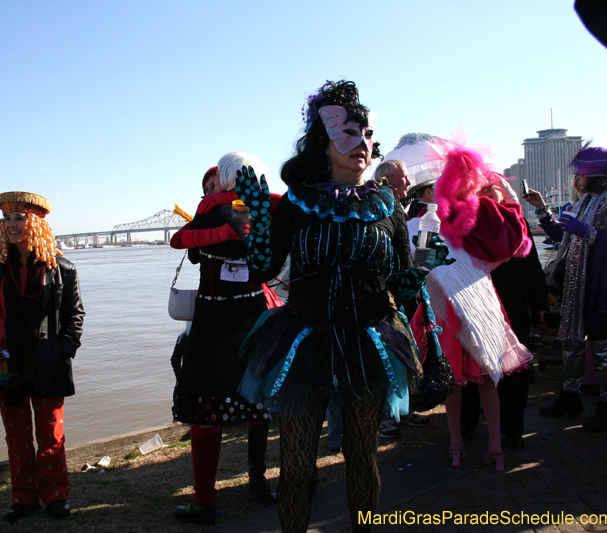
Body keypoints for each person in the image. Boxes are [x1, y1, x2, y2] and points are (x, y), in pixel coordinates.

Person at [233, 80, 447, 532]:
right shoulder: (296, 203)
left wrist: (422, 271)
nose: (363, 145)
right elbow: (262, 271)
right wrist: (256, 221)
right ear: (324, 142)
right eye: (349, 133)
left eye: (368, 135)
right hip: (304, 343)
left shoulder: (388, 206)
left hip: (367, 344)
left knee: (362, 462)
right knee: (294, 468)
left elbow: (400, 287)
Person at [170, 153, 282, 525]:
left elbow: (180, 239)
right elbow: (183, 242)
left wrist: (219, 230)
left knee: (206, 411)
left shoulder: (214, 207)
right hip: (254, 314)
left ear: (226, 177)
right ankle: (276, 479)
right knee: (265, 401)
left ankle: (204, 501)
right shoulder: (272, 207)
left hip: (215, 320)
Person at [412, 141, 534, 472]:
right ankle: (495, 446)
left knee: (453, 379)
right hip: (482, 305)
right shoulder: (486, 217)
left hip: (443, 308)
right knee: (489, 379)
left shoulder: (429, 218)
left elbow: (418, 266)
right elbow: (518, 242)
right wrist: (509, 197)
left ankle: (455, 443)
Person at [0, 191, 85, 521]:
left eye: (20, 218)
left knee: (50, 432)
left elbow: (75, 315)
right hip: (6, 363)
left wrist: (63, 352)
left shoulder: (63, 269)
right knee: (16, 436)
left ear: (38, 222)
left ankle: (56, 494)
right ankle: (24, 497)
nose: (12, 225)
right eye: (7, 218)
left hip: (47, 362)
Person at [526, 144, 607, 432]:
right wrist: (541, 209)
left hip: (600, 288)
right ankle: (570, 397)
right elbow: (565, 239)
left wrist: (587, 232)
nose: (578, 180)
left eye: (582, 175)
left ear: (596, 175)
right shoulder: (586, 201)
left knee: (603, 348)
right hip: (575, 286)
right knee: (571, 344)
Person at [460, 185, 549, 451]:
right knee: (473, 366)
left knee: (514, 371)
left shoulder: (516, 222)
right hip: (475, 306)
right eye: (481, 187)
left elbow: (533, 268)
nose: (487, 190)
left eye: (493, 186)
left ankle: (513, 429)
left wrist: (540, 305)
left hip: (512, 308)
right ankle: (467, 423)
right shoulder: (465, 223)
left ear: (503, 193)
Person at [373, 159, 430, 437]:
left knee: (405, 355)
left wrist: (422, 266)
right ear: (386, 179)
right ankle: (388, 417)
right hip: (381, 298)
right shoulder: (378, 206)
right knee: (387, 358)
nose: (409, 184)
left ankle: (403, 410)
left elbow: (406, 255)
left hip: (399, 292)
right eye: (404, 178)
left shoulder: (396, 207)